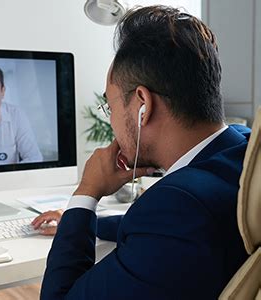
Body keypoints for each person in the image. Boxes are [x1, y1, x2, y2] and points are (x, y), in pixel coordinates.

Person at [33, 6, 250, 299]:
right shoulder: (245, 152)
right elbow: (161, 232)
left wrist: (87, 193)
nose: (110, 120)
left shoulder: (177, 206)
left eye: (110, 106)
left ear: (142, 105)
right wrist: (89, 223)